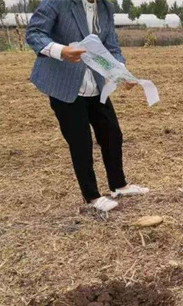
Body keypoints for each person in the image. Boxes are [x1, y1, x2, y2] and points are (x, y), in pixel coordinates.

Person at [26, 0, 149, 212]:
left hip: (95, 83)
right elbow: (35, 33)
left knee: (112, 133)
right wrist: (61, 50)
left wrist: (120, 73)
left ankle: (119, 185)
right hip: (64, 84)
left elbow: (111, 45)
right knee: (80, 141)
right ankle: (92, 196)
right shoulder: (58, 3)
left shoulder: (105, 8)